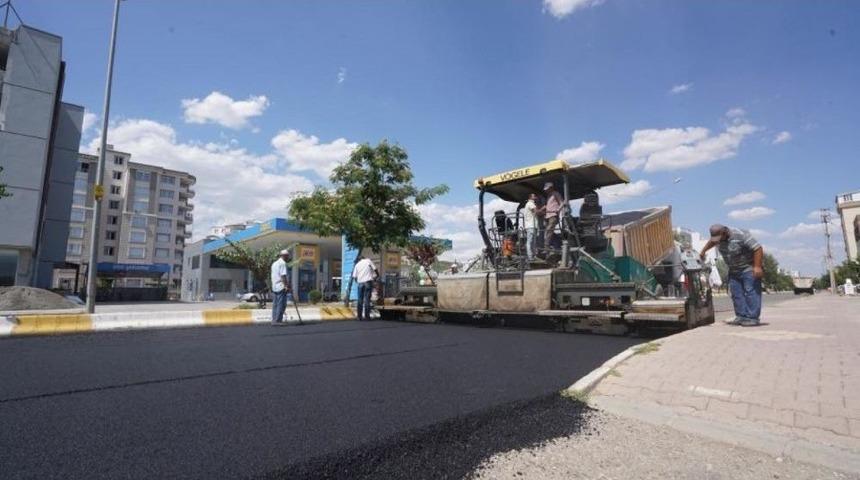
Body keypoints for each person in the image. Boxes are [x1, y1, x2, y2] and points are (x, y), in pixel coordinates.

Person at [699, 224, 763, 326]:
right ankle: (741, 316)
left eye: (719, 238)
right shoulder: (718, 238)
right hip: (733, 270)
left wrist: (757, 267)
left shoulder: (741, 235)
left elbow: (758, 248)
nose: (718, 241)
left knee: (750, 292)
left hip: (748, 268)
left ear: (725, 232)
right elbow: (712, 242)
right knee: (736, 294)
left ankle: (752, 318)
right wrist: (703, 251)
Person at [539, 182, 564, 251]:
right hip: (547, 216)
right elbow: (548, 206)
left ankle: (546, 246)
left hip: (553, 215)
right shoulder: (549, 196)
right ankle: (558, 243)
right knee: (549, 231)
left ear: (551, 188)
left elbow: (562, 202)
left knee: (549, 230)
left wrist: (558, 210)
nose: (546, 190)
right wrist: (540, 210)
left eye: (547, 189)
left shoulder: (556, 193)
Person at [352, 255, 378, 321]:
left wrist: (358, 282)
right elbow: (375, 269)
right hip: (367, 283)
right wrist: (377, 275)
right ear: (363, 258)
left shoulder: (357, 265)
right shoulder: (368, 261)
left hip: (360, 283)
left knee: (360, 300)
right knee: (367, 300)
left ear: (359, 260)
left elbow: (354, 277)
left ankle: (359, 317)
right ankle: (367, 317)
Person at [270, 249, 292, 325]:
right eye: (287, 256)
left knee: (275, 304)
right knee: (281, 304)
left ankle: (274, 320)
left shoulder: (274, 263)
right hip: (281, 286)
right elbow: (283, 276)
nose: (288, 257)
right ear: (284, 256)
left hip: (274, 286)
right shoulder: (283, 263)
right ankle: (278, 321)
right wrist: (286, 286)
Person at [523, 193, 539, 261]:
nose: (535, 197)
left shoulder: (529, 204)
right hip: (531, 225)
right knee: (530, 241)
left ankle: (532, 256)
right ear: (530, 197)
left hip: (531, 225)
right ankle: (530, 256)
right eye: (534, 196)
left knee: (532, 241)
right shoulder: (530, 203)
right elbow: (536, 212)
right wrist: (544, 208)